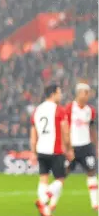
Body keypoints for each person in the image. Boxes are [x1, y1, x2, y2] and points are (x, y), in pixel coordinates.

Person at [30, 84, 74, 216]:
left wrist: (33, 151)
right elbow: (65, 132)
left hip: (41, 150)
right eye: (59, 93)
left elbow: (33, 134)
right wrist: (70, 149)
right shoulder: (59, 110)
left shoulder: (37, 110)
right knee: (60, 179)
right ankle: (43, 201)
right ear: (53, 94)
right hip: (56, 150)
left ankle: (45, 211)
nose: (61, 96)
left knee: (43, 179)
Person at [64, 82, 98, 211]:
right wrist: (67, 148)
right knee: (63, 174)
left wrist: (96, 146)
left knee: (92, 172)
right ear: (79, 93)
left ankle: (95, 203)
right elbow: (65, 128)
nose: (88, 95)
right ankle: (49, 200)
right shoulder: (69, 109)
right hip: (73, 146)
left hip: (87, 146)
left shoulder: (90, 110)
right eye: (86, 92)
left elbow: (92, 128)